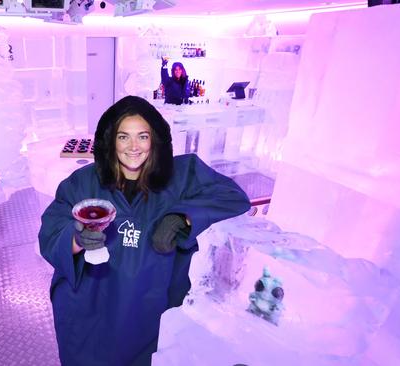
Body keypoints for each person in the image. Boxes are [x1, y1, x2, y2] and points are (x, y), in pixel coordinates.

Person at [38, 95, 251, 365]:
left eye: (143, 136)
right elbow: (51, 228)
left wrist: (182, 218)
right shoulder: (83, 182)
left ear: (155, 139)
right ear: (110, 140)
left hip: (152, 309)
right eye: (123, 137)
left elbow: (233, 196)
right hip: (92, 311)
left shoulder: (181, 175)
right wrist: (77, 238)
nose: (133, 147)